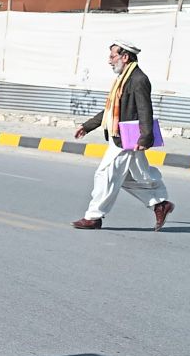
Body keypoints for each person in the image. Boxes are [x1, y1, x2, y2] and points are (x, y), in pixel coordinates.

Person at [72, 40, 174, 230]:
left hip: (127, 139)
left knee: (105, 174)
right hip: (119, 136)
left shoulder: (138, 79)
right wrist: (87, 126)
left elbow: (145, 109)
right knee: (129, 178)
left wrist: (145, 137)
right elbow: (110, 110)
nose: (109, 61)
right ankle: (160, 204)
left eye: (113, 56)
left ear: (125, 57)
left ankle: (94, 217)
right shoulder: (123, 79)